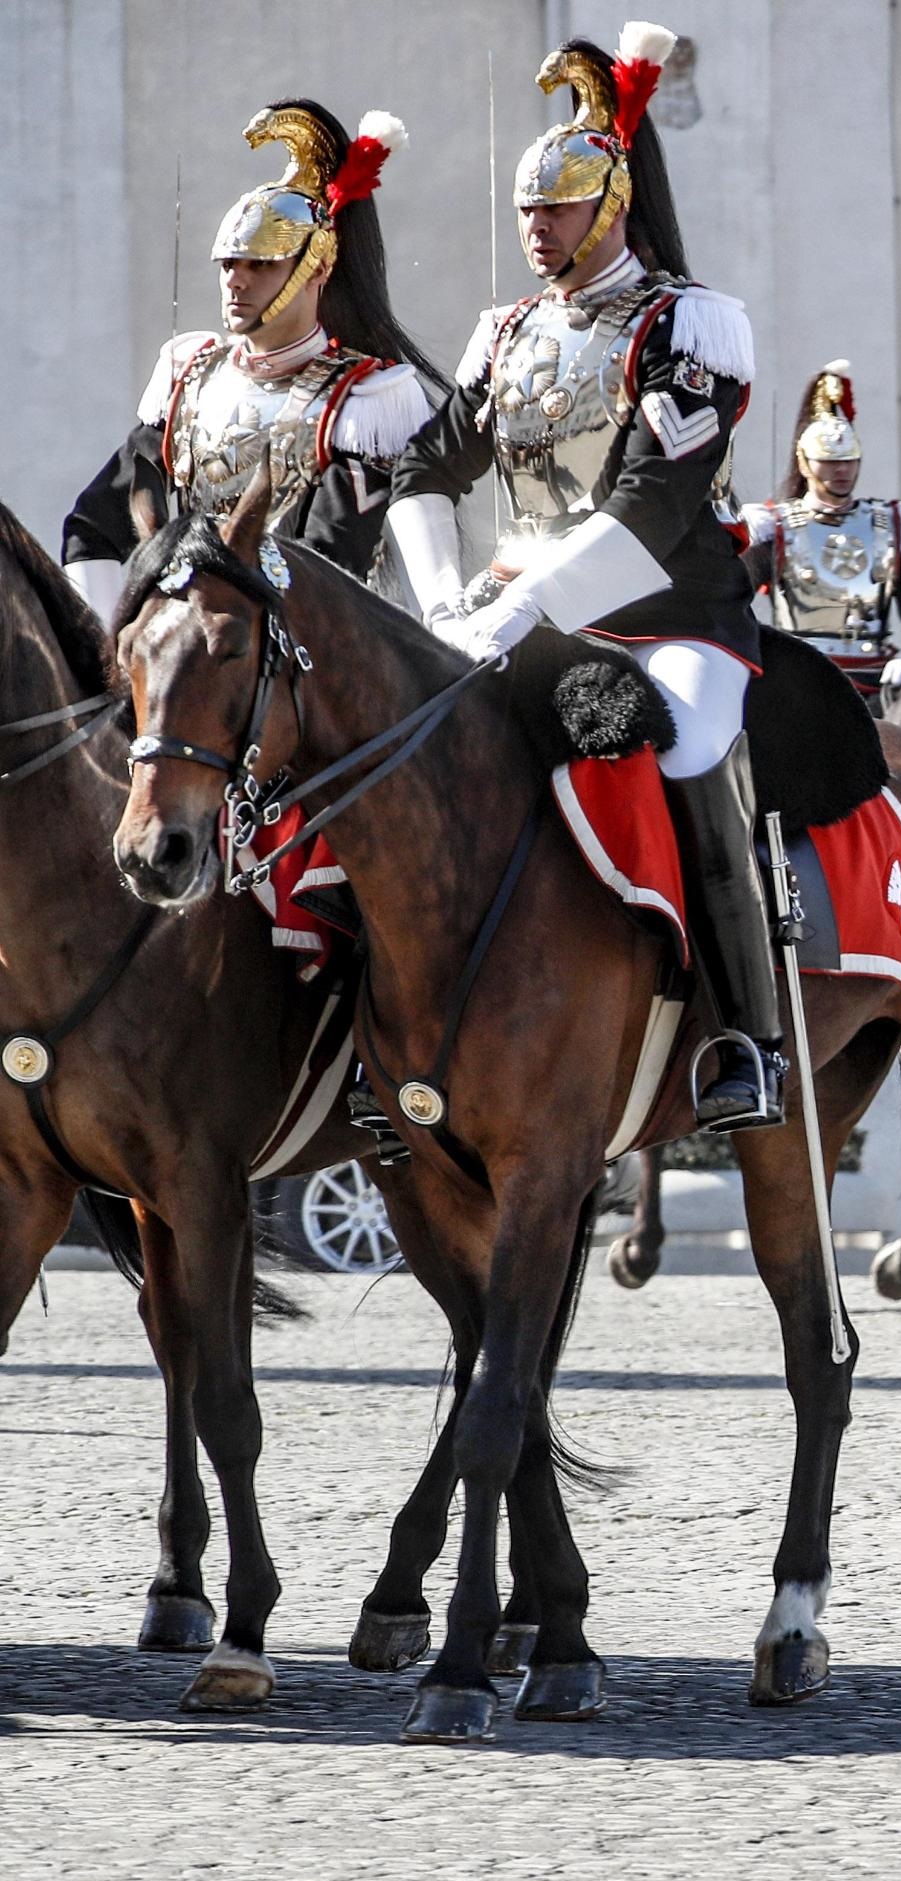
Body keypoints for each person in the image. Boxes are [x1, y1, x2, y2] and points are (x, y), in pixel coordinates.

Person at [385, 22, 784, 1131]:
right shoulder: (506, 333)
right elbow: (426, 468)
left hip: (669, 623)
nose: (535, 227)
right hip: (512, 622)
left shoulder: (686, 326)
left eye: (555, 208)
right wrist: (441, 605)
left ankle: (743, 1033)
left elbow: (652, 508)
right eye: (526, 209)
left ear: (610, 205)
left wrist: (515, 604)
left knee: (697, 745)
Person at [64, 101, 433, 613]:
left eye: (260, 264)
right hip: (191, 648)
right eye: (229, 264)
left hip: (315, 659)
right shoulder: (189, 380)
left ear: (318, 266)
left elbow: (328, 562)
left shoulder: (361, 400)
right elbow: (91, 529)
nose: (237, 279)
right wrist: (114, 651)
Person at [741, 360, 901, 699]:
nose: (842, 471)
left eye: (849, 460)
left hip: (873, 683)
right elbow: (734, 599)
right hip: (796, 677)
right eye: (831, 461)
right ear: (805, 463)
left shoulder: (891, 524)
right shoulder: (775, 527)